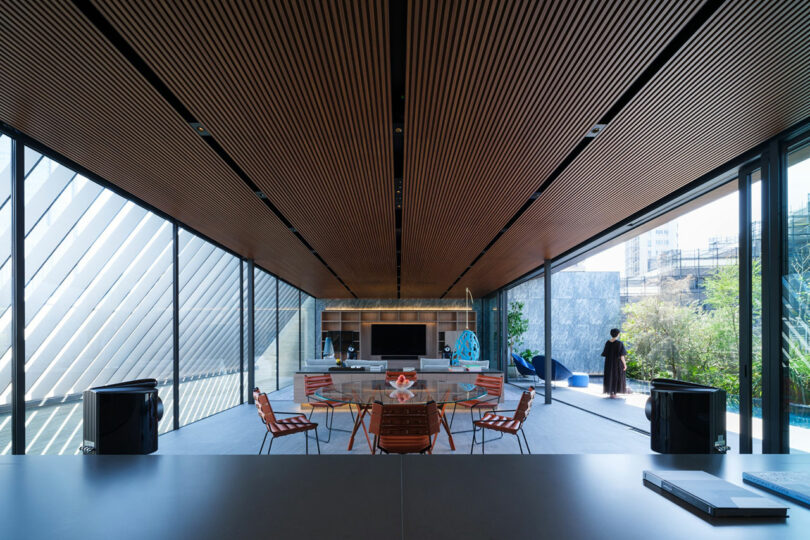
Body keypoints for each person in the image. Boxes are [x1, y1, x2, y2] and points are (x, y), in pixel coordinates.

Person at [601, 328, 627, 398]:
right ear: (618, 334)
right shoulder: (619, 343)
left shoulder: (607, 342)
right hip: (617, 364)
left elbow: (605, 353)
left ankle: (611, 392)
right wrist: (625, 364)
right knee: (616, 376)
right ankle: (615, 393)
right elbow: (622, 356)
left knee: (610, 376)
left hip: (609, 363)